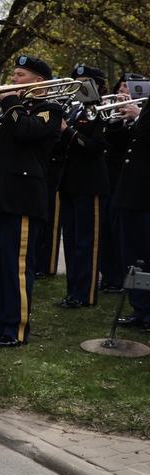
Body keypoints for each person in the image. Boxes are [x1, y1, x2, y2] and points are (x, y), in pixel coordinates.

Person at [0, 55, 65, 348]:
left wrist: (10, 102)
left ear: (39, 82)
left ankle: (17, 328)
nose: (12, 80)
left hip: (22, 198)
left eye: (20, 75)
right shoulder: (12, 110)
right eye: (13, 75)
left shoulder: (50, 110)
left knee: (17, 265)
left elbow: (26, 133)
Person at [56, 65, 109, 308]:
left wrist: (67, 132)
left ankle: (85, 294)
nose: (77, 86)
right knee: (72, 239)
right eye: (75, 81)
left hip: (89, 184)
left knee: (87, 242)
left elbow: (96, 146)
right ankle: (73, 292)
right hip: (69, 183)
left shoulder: (101, 111)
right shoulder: (74, 110)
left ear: (96, 85)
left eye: (83, 82)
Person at [112, 90, 150, 331]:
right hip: (132, 191)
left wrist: (137, 117)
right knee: (134, 256)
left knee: (147, 252)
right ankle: (140, 307)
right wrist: (118, 121)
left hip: (146, 193)